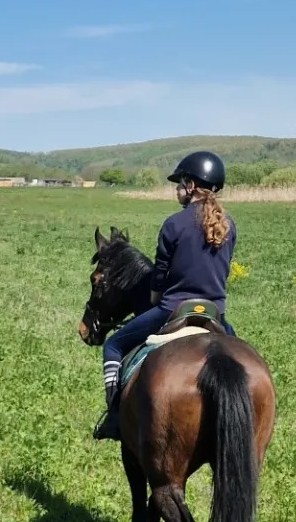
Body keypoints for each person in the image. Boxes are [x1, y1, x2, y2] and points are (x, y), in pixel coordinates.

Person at [92, 149, 236, 441]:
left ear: (192, 186)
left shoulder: (174, 223)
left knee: (114, 347)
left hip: (173, 307)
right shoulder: (229, 226)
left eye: (181, 182)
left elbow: (159, 280)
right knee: (236, 356)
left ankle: (114, 417)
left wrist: (157, 297)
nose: (178, 189)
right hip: (214, 312)